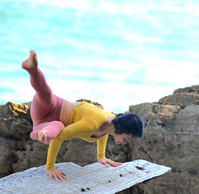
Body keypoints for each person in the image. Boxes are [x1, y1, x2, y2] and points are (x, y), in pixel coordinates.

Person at [22, 50, 144, 182]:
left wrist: (101, 157)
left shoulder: (109, 123)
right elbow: (59, 139)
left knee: (56, 127)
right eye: (125, 139)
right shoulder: (91, 124)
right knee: (46, 95)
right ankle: (32, 69)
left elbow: (102, 134)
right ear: (118, 128)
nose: (123, 143)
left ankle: (41, 133)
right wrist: (50, 167)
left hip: (50, 124)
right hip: (49, 107)